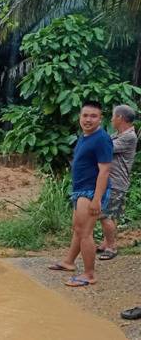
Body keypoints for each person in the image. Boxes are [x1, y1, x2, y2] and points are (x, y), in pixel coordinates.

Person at [48, 101, 112, 287]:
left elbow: (105, 171)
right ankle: (69, 262)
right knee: (78, 229)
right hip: (81, 190)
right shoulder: (85, 137)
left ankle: (89, 274)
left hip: (91, 191)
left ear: (101, 118)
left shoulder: (101, 138)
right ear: (79, 117)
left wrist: (97, 199)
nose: (88, 119)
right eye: (85, 115)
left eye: (93, 116)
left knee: (85, 232)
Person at [96, 105, 137, 261]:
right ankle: (105, 243)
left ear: (120, 118)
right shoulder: (117, 134)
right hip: (112, 181)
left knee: (104, 214)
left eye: (113, 116)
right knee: (110, 215)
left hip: (116, 182)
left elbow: (106, 148)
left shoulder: (129, 137)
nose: (111, 119)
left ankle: (111, 247)